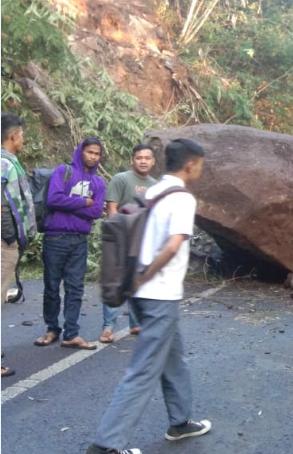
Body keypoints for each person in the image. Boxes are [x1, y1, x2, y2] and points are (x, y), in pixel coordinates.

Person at [86, 139, 210, 454]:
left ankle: (180, 422)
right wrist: (145, 278)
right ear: (190, 165)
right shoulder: (182, 197)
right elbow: (172, 246)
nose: (201, 169)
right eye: (200, 164)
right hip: (159, 293)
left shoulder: (153, 191)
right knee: (143, 370)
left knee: (173, 358)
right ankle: (106, 445)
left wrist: (137, 281)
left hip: (142, 291)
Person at [35, 137, 106, 350]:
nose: (93, 157)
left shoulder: (99, 183)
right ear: (80, 152)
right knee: (52, 286)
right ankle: (51, 329)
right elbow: (53, 199)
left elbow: (96, 211)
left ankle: (71, 333)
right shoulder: (63, 171)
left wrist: (71, 204)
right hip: (55, 237)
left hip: (79, 241)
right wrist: (84, 201)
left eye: (96, 154)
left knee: (75, 288)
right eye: (89, 152)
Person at [99, 144, 157, 343]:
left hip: (142, 243)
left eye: (147, 158)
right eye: (139, 157)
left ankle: (136, 323)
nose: (143, 161)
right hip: (120, 240)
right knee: (114, 282)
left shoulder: (155, 185)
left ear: (153, 161)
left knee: (137, 283)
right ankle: (108, 327)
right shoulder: (121, 179)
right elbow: (111, 208)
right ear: (132, 160)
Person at [1, 113, 37, 378]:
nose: (23, 139)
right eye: (22, 135)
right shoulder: (4, 163)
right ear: (13, 136)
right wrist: (10, 236)